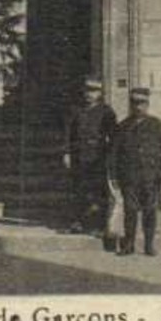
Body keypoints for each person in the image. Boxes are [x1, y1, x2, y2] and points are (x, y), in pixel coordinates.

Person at [112, 86, 161, 256]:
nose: (138, 107)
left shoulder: (156, 124)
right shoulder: (123, 126)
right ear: (130, 104)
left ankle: (148, 245)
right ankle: (128, 245)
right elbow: (114, 152)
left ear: (147, 104)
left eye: (142, 103)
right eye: (134, 103)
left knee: (150, 211)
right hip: (129, 176)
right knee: (130, 211)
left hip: (150, 176)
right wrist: (114, 176)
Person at [63, 76, 116, 238]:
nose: (89, 94)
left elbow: (113, 136)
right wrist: (66, 153)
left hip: (97, 157)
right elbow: (68, 134)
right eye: (87, 91)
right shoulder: (75, 110)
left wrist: (111, 157)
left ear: (100, 93)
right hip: (78, 155)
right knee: (78, 189)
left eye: (93, 91)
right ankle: (77, 223)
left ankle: (97, 226)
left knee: (97, 192)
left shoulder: (106, 112)